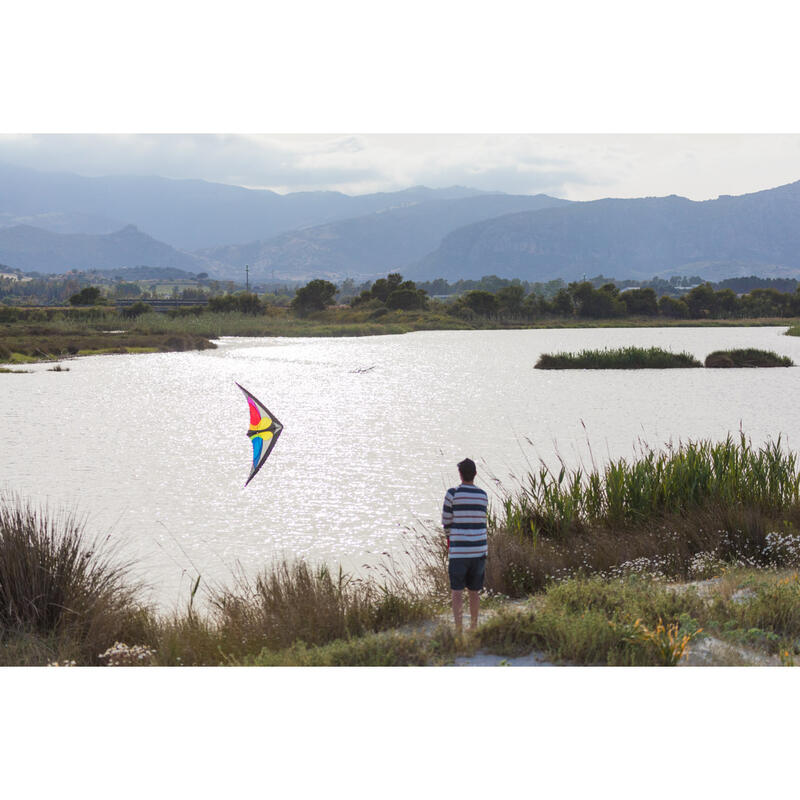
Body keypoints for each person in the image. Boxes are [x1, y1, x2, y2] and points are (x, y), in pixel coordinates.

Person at [441, 457, 488, 634]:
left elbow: (446, 521)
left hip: (459, 551)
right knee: (474, 591)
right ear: (475, 474)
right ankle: (474, 627)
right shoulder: (483, 495)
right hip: (479, 550)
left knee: (457, 591)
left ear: (460, 474)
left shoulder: (452, 494)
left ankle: (459, 628)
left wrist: (450, 540)